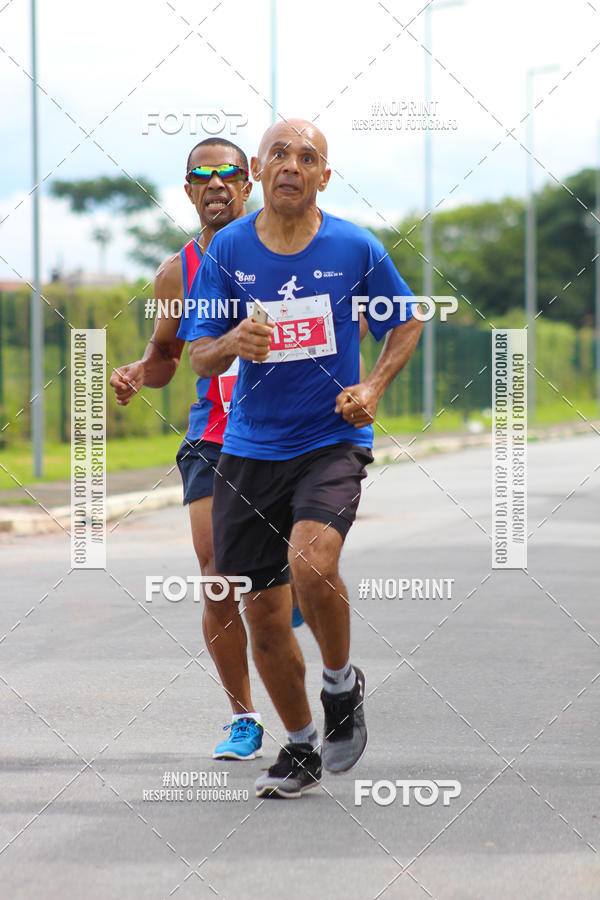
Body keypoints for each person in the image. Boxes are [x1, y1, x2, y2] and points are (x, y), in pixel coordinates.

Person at [179, 118, 423, 798]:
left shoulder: (355, 247)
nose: (292, 164)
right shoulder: (227, 250)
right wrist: (235, 341)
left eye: (307, 156)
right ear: (259, 168)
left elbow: (405, 318)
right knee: (258, 610)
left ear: (324, 175)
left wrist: (372, 385)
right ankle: (299, 745)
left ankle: (341, 687)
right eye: (279, 153)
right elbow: (198, 352)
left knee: (312, 562)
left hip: (330, 439)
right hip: (249, 448)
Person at [109, 138, 265, 761]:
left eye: (229, 174)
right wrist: (135, 371)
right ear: (188, 190)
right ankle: (244, 717)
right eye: (203, 176)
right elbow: (165, 358)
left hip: (288, 434)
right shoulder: (177, 271)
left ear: (248, 183)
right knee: (217, 574)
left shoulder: (282, 246)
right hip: (213, 435)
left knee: (287, 574)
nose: (216, 184)